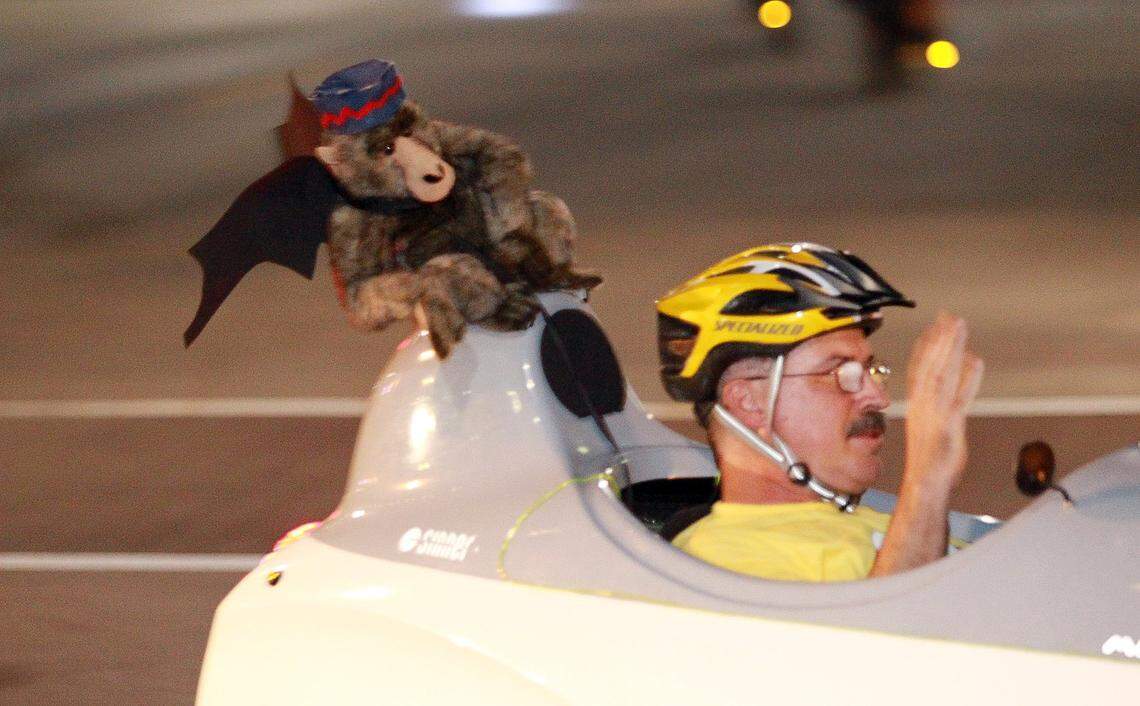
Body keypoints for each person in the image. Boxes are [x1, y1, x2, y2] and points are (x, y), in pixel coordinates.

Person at [656, 243, 982, 581]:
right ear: (749, 401)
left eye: (871, 371)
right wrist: (928, 478)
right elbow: (885, 631)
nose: (877, 398)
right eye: (840, 373)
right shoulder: (720, 560)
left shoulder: (879, 522)